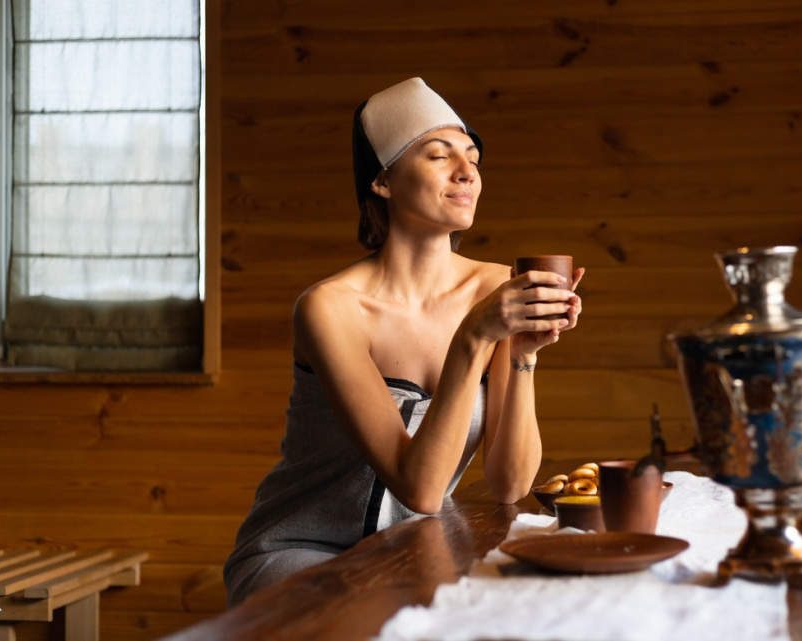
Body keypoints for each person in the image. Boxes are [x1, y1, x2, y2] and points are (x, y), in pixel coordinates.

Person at [223, 77, 583, 606]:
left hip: (415, 544)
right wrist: (475, 337)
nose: (467, 173)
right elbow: (419, 488)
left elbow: (509, 486)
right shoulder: (331, 308)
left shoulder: (493, 288)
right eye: (440, 156)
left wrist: (524, 354)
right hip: (305, 549)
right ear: (383, 182)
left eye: (473, 158)